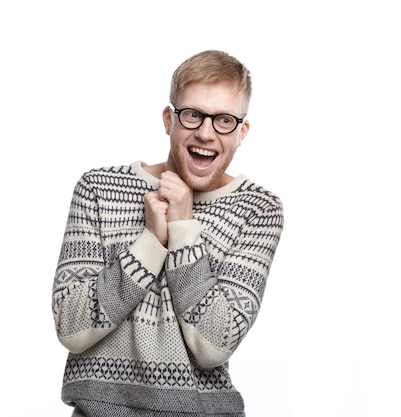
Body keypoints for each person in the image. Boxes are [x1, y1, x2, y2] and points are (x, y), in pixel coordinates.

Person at [51, 49, 284, 417]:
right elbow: (71, 327)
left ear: (241, 132)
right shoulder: (98, 188)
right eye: (192, 115)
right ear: (168, 119)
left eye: (224, 120)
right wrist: (150, 243)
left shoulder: (258, 210)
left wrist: (183, 228)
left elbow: (213, 345)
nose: (206, 133)